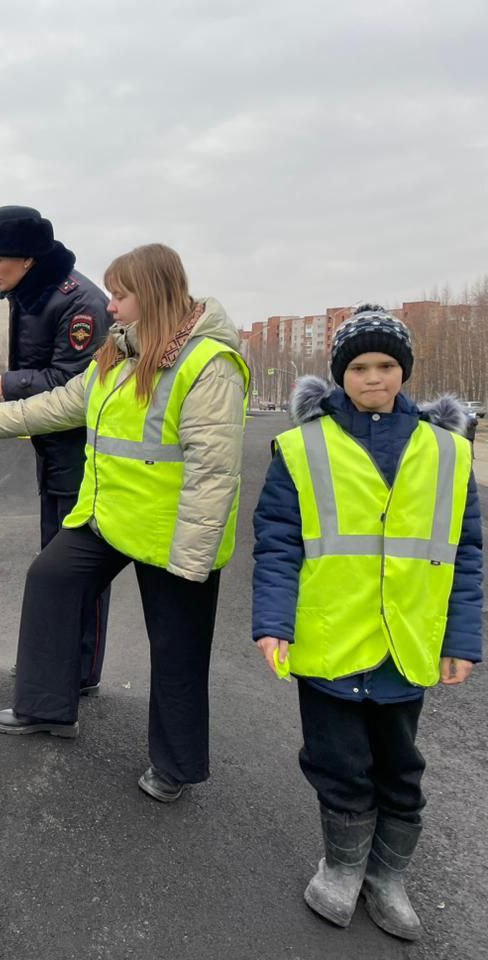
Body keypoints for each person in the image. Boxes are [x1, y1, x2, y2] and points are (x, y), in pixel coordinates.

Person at [0, 243, 247, 801]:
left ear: (154, 294)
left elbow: (215, 472)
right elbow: (62, 404)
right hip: (107, 516)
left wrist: (193, 560)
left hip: (173, 533)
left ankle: (175, 765)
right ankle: (46, 708)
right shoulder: (119, 355)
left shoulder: (209, 364)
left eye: (120, 295)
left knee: (178, 647)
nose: (109, 306)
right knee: (51, 580)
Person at [251, 306, 482, 941]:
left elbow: (466, 553)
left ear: (403, 371)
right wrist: (273, 621)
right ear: (339, 374)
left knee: (399, 764)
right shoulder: (304, 447)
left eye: (386, 366)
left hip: (406, 642)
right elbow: (277, 542)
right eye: (358, 366)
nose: (373, 378)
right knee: (336, 760)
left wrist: (462, 637)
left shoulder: (447, 452)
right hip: (330, 636)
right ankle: (343, 865)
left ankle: (388, 874)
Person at [0, 206, 110, 693]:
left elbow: (73, 388)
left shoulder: (79, 303)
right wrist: (0, 386)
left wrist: (7, 385)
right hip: (55, 453)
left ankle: (75, 673)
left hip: (82, 455)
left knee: (74, 568)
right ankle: (60, 667)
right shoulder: (30, 292)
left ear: (27, 259)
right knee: (57, 563)